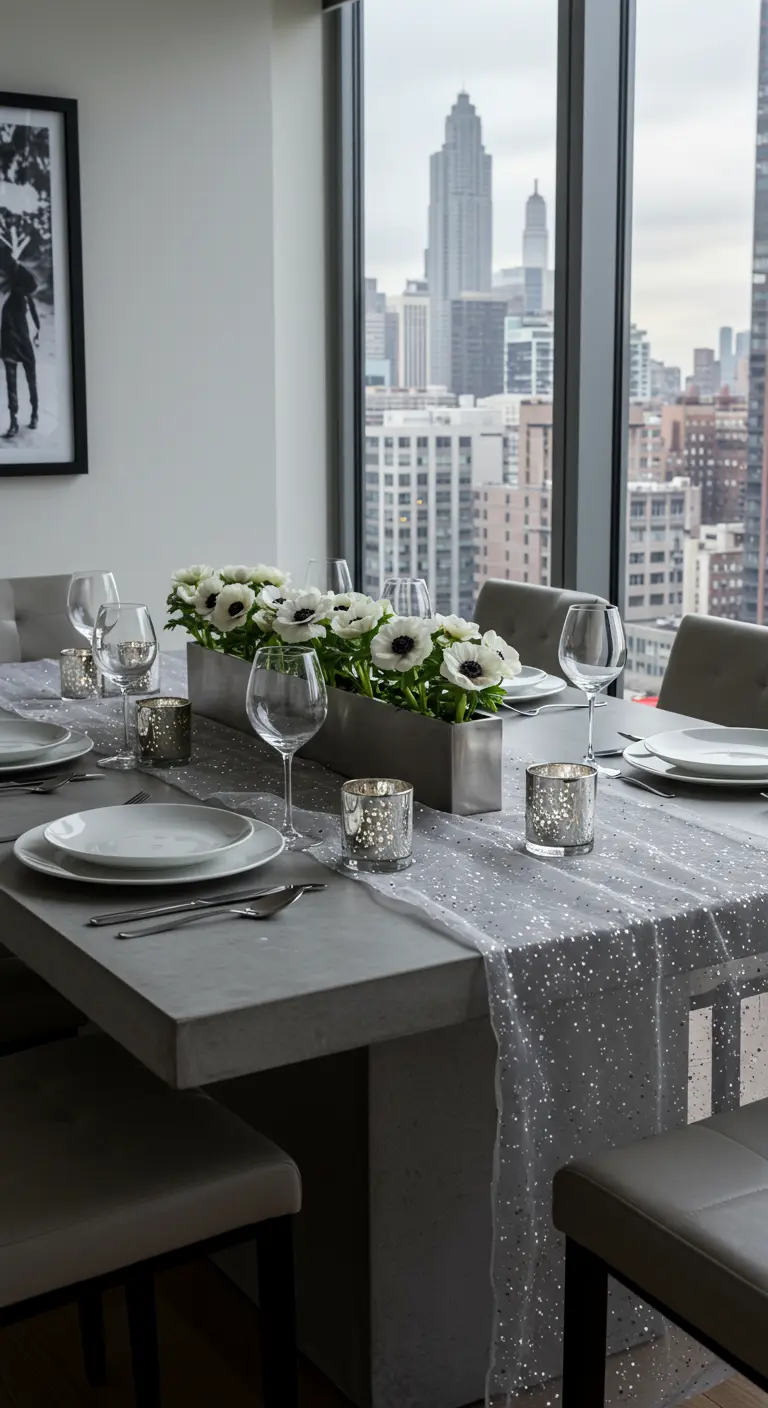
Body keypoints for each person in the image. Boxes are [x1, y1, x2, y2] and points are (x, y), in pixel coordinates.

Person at [1, 260, 39, 439]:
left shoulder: (19, 296)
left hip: (23, 343)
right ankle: (15, 421)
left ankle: (32, 414)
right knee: (13, 384)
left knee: (28, 381)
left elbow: (34, 322)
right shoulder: (6, 298)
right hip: (10, 344)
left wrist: (35, 336)